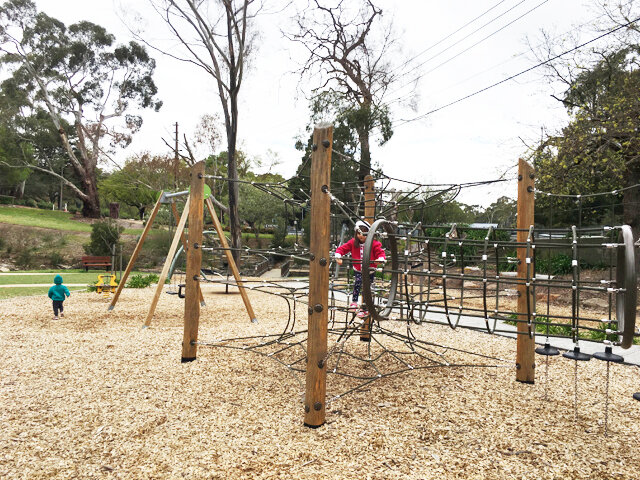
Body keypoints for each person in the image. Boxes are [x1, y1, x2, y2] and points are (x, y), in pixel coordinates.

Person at [334, 220, 386, 317]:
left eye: (364, 234)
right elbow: (342, 249)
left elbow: (381, 253)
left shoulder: (374, 244)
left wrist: (380, 259)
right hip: (358, 269)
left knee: (367, 288)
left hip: (370, 270)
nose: (361, 236)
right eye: (359, 233)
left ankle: (365, 308)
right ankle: (354, 302)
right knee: (357, 283)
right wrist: (338, 256)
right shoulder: (353, 242)